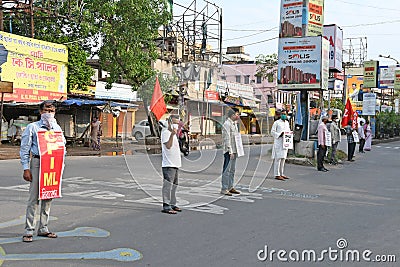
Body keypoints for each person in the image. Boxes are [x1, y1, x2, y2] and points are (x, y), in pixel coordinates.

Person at [20, 100, 66, 242]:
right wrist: (26, 168)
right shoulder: (32, 127)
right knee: (34, 198)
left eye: (51, 111)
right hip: (38, 162)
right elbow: (24, 149)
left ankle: (43, 228)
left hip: (52, 164)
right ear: (40, 112)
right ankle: (29, 230)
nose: (48, 113)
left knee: (48, 196)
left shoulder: (56, 127)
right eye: (46, 110)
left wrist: (61, 165)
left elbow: (62, 145)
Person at [161, 115, 182, 214]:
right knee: (168, 186)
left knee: (174, 185)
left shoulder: (173, 134)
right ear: (169, 122)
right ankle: (166, 205)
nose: (176, 125)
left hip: (175, 163)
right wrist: (172, 135)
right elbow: (168, 146)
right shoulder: (166, 133)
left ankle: (173, 204)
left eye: (177, 123)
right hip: (168, 164)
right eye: (174, 122)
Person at [221, 108, 241, 196]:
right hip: (229, 151)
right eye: (237, 114)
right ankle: (224, 188)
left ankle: (230, 186)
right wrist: (230, 151)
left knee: (232, 170)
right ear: (232, 115)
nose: (238, 116)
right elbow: (227, 138)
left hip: (235, 149)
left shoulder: (235, 124)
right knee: (227, 170)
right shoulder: (227, 124)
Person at [271, 109, 291, 180]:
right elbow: (272, 132)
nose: (283, 115)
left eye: (285, 114)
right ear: (280, 115)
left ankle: (282, 173)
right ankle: (277, 174)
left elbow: (288, 131)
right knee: (278, 159)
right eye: (282, 114)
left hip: (285, 143)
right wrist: (279, 134)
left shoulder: (287, 123)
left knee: (283, 158)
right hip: (278, 142)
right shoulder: (277, 123)